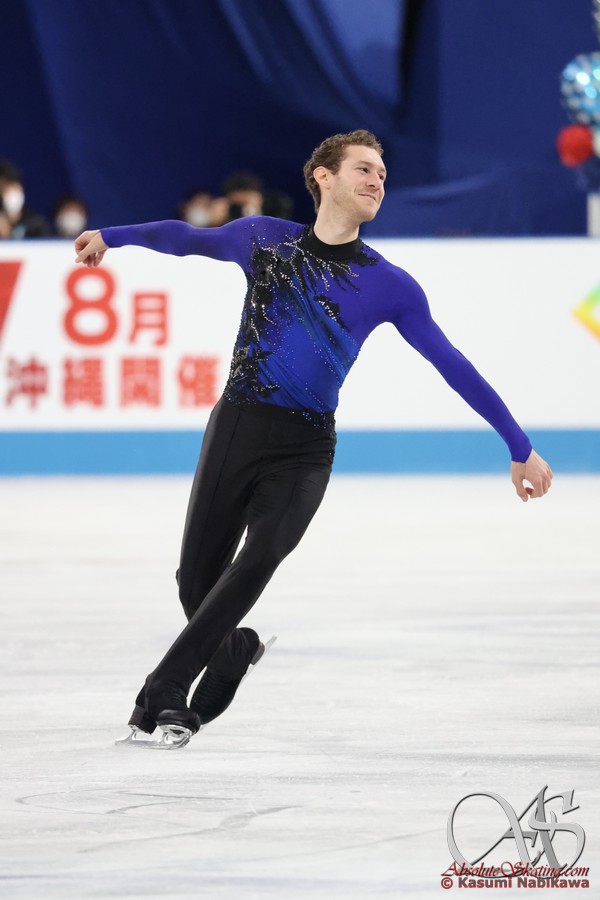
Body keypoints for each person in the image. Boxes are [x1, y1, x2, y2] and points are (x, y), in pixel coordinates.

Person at [74, 129, 553, 749]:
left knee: (259, 557)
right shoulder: (264, 240)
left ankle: (163, 691)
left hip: (306, 449)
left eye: (383, 174)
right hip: (238, 427)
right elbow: (186, 238)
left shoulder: (390, 285)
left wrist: (518, 445)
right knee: (195, 585)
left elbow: (451, 364)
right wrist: (112, 236)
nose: (377, 180)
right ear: (323, 177)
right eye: (364, 169)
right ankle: (234, 650)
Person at [0, 160, 51, 238]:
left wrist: (8, 235)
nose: (9, 190)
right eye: (4, 187)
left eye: (13, 185)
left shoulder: (35, 223)